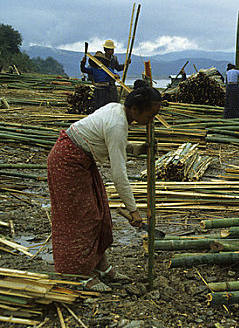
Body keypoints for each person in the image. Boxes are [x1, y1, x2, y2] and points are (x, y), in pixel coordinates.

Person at [47, 83, 162, 292]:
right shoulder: (117, 124)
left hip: (82, 159)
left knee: (100, 211)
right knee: (82, 218)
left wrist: (136, 148)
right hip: (67, 161)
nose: (151, 121)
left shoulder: (117, 111)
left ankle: (100, 265)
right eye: (150, 116)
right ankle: (78, 274)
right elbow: (119, 176)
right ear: (135, 110)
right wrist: (133, 210)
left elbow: (109, 141)